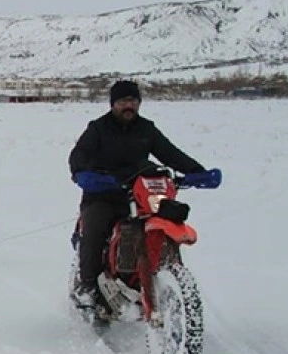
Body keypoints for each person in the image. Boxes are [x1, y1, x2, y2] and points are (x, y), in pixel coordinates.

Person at [67, 80, 211, 309]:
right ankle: (87, 288)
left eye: (133, 101)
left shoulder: (146, 129)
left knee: (163, 218)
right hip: (103, 193)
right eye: (123, 101)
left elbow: (170, 153)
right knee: (94, 230)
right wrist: (82, 173)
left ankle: (161, 274)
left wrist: (198, 173)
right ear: (113, 104)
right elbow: (79, 154)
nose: (129, 106)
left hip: (140, 194)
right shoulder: (98, 128)